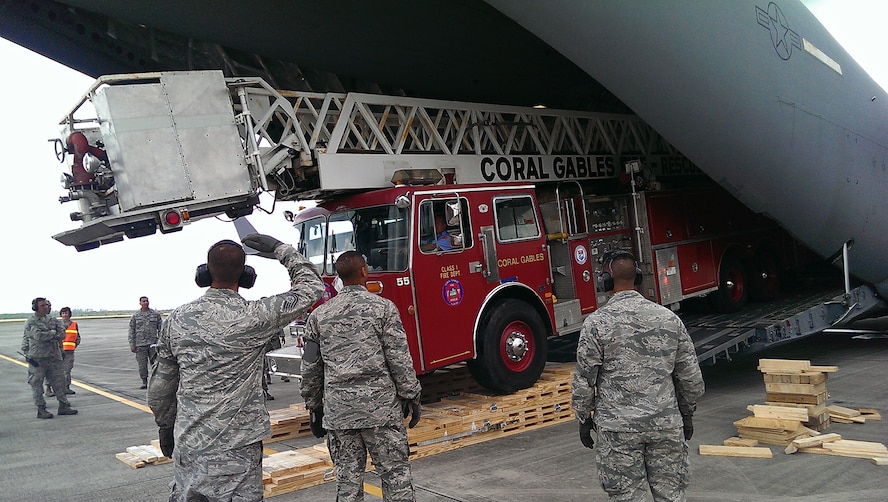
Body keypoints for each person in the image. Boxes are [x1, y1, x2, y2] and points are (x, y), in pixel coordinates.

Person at [147, 235, 323, 502]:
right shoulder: (255, 316)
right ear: (246, 277)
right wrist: (281, 250)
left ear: (204, 273)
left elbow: (161, 385)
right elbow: (312, 287)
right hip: (237, 447)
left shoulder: (177, 319)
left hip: (189, 440)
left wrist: (165, 426)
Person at [573, 251, 704, 501]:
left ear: (605, 281)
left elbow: (585, 379)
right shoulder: (668, 319)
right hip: (665, 424)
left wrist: (584, 418)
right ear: (639, 278)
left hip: (618, 429)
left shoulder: (596, 324)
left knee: (627, 496)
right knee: (670, 495)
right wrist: (687, 413)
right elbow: (690, 378)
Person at [301, 250, 422, 502]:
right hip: (381, 412)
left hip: (340, 414)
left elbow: (311, 367)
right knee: (395, 477)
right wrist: (411, 394)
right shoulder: (384, 309)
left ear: (338, 277)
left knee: (348, 482)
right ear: (365, 272)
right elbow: (399, 358)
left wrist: (314, 406)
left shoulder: (318, 317)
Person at [22, 298, 78, 419]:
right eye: (43, 305)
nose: (47, 307)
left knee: (60, 382)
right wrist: (53, 333)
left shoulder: (53, 320)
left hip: (54, 356)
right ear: (36, 308)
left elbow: (62, 334)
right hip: (38, 358)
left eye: (47, 305)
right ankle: (41, 408)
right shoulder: (31, 322)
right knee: (37, 384)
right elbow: (38, 336)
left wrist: (49, 334)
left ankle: (63, 405)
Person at [129, 296, 162, 389]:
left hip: (153, 344)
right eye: (143, 301)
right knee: (142, 365)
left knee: (156, 364)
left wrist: (160, 342)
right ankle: (144, 382)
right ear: (140, 303)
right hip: (140, 345)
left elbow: (161, 329)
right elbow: (131, 331)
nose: (145, 303)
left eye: (147, 301)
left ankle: (157, 382)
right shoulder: (135, 316)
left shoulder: (155, 314)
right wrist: (132, 344)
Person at [46, 306, 79, 396]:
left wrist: (75, 345)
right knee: (54, 370)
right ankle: (48, 388)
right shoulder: (57, 324)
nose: (65, 315)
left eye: (66, 313)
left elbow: (77, 337)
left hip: (69, 352)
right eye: (63, 313)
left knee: (67, 370)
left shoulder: (74, 324)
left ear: (69, 314)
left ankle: (66, 387)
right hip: (58, 351)